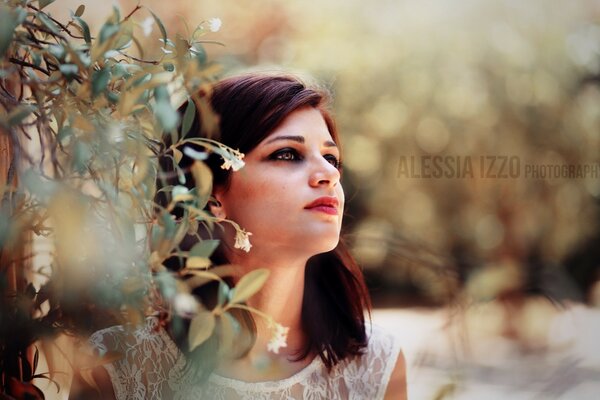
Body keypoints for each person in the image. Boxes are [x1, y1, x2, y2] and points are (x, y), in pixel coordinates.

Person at [80, 72, 407, 399]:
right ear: (210, 195)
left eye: (331, 157)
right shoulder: (116, 365)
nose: (330, 174)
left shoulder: (377, 368)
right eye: (287, 154)